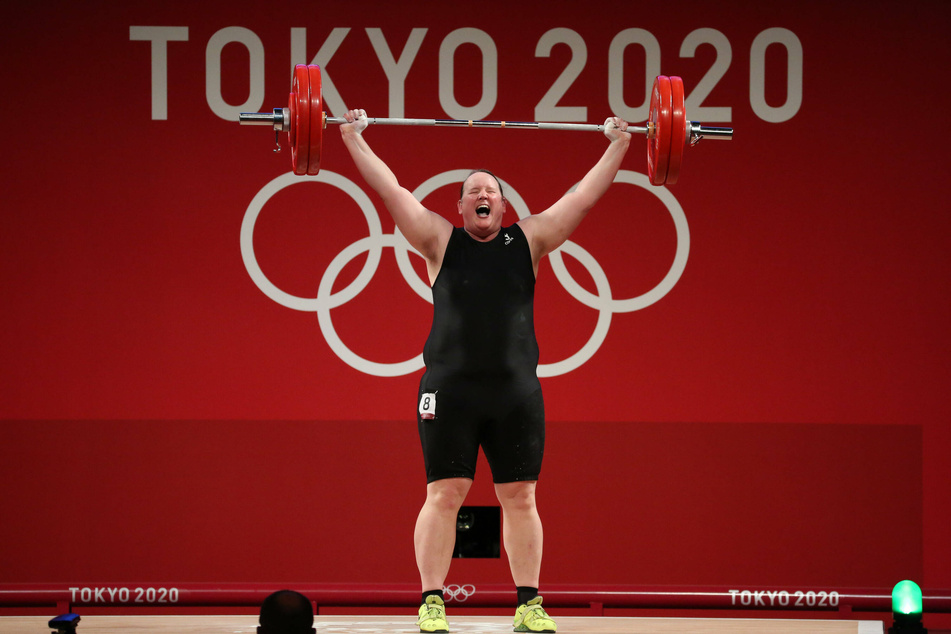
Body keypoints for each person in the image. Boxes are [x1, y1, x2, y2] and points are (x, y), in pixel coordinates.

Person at [340, 108, 631, 634]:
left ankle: (528, 603)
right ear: (461, 206)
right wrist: (352, 138)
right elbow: (392, 191)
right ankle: (432, 601)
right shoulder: (438, 240)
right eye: (473, 190)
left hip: (514, 393)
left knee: (520, 497)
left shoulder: (531, 240)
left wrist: (618, 143)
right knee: (443, 494)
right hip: (450, 390)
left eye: (490, 191)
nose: (482, 195)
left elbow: (583, 198)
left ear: (503, 204)